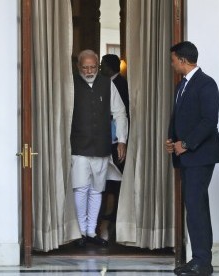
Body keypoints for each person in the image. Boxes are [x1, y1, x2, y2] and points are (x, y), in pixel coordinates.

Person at [166, 41, 219, 276]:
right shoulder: (182, 85)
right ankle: (199, 259)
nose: (171, 64)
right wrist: (173, 140)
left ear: (182, 60)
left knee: (196, 206)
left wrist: (186, 144)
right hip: (187, 157)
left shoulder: (206, 83)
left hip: (200, 156)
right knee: (194, 206)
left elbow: (209, 121)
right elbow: (181, 117)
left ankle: (202, 261)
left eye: (173, 60)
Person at [70, 49, 128, 247]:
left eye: (92, 67)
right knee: (80, 188)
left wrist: (122, 140)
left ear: (98, 66)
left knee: (97, 189)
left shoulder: (107, 84)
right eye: (85, 67)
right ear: (79, 67)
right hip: (78, 146)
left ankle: (91, 231)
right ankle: (81, 232)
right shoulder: (71, 84)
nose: (89, 71)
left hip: (102, 146)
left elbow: (120, 112)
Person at [98, 54, 130, 241]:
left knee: (112, 184)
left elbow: (122, 113)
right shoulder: (116, 82)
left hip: (115, 141)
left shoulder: (119, 84)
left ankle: (108, 224)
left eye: (102, 65)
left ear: (109, 67)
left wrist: (122, 141)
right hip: (107, 140)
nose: (100, 68)